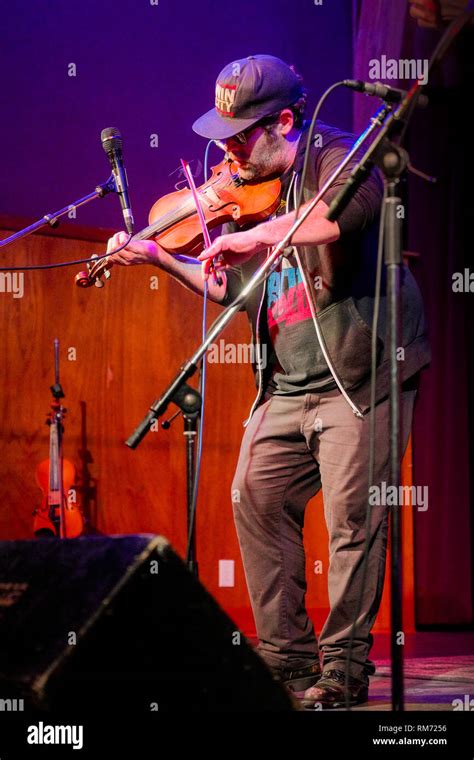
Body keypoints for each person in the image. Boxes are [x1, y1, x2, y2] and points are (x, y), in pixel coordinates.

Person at [106, 54, 431, 708]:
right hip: (287, 383)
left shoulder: (344, 155)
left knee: (353, 522)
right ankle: (285, 661)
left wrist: (261, 236)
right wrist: (156, 254)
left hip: (360, 374)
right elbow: (233, 290)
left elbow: (328, 220)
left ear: (285, 120)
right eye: (223, 136)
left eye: (241, 135)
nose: (227, 153)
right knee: (254, 492)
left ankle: (342, 673)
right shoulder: (248, 192)